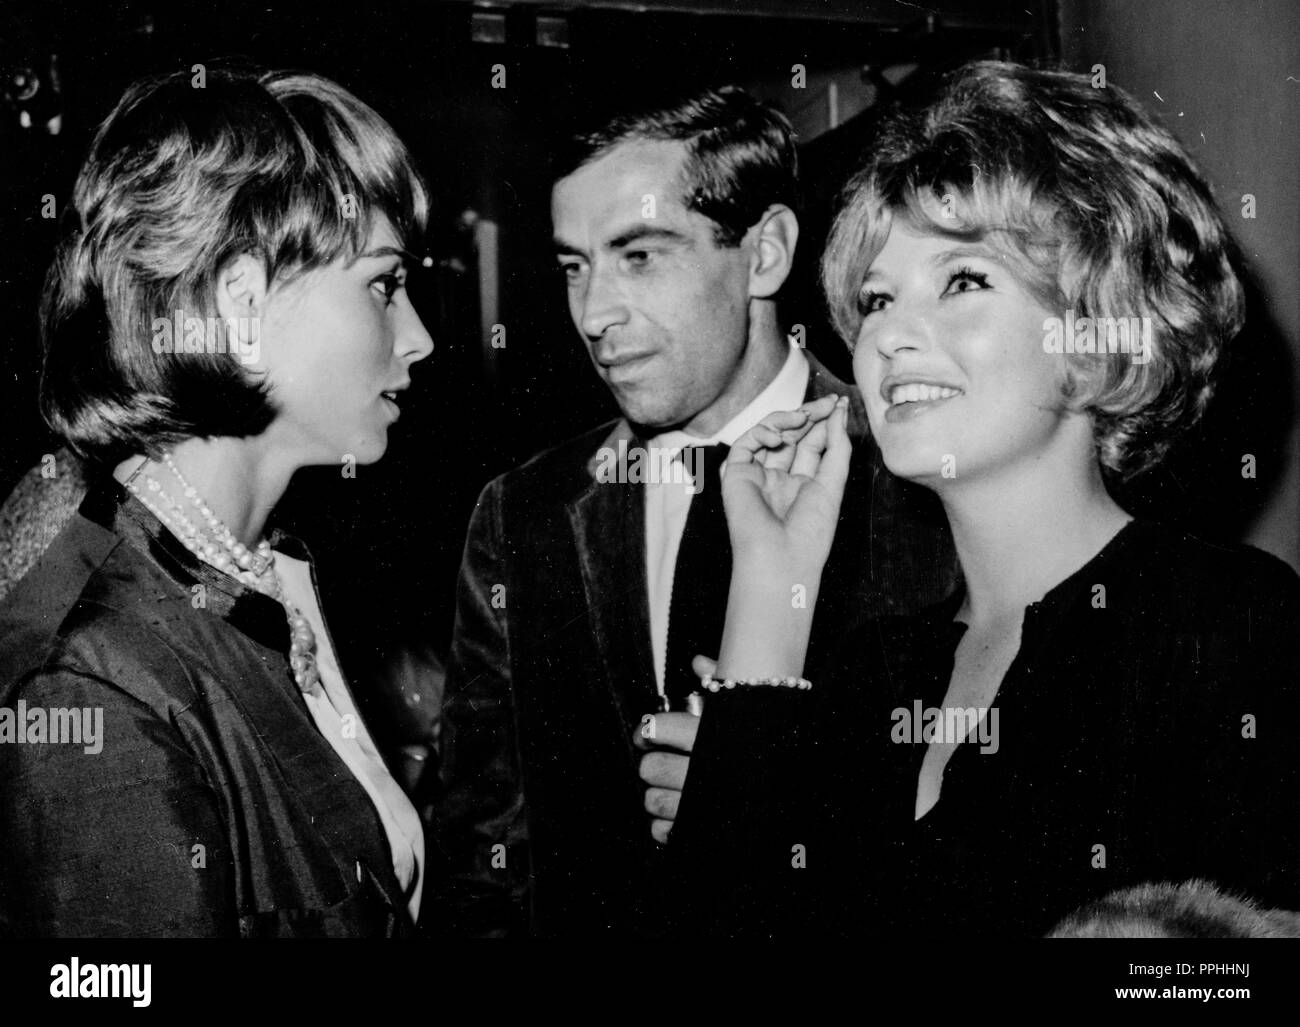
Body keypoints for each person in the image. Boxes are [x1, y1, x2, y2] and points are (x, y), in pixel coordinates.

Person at [659, 61, 1300, 937]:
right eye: (877, 298)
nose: (887, 336)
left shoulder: (1233, 628)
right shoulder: (872, 674)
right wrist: (769, 597)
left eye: (961, 280)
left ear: (1097, 333)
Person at [433, 86, 956, 937]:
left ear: (766, 254)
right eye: (575, 266)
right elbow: (483, 847)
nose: (595, 314)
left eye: (639, 255)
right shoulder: (522, 513)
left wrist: (775, 780)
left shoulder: (917, 478)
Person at [0, 65, 435, 937]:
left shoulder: (271, 572)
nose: (418, 337)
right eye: (383, 286)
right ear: (241, 305)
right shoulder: (91, 689)